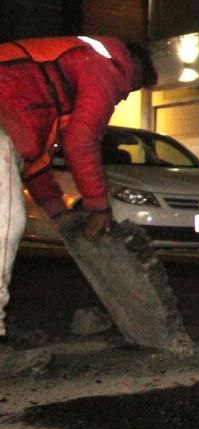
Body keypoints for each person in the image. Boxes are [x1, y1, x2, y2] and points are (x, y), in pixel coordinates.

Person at [0, 36, 158, 356]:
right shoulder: (105, 66)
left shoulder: (47, 93)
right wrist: (99, 206)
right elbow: (82, 142)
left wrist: (60, 214)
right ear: (132, 67)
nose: (124, 96)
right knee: (6, 225)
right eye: (133, 87)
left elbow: (37, 163)